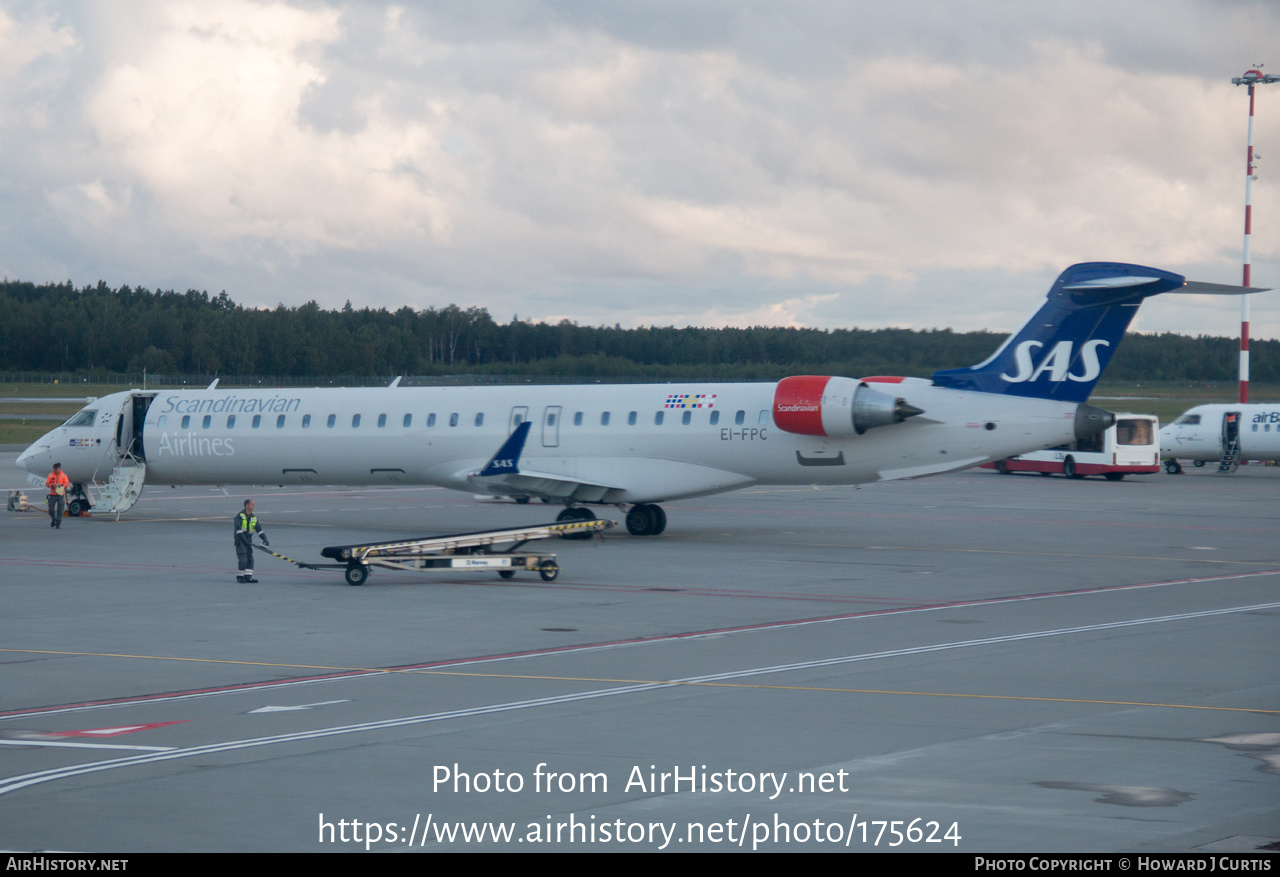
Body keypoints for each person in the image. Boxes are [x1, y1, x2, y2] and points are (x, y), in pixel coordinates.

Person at [234, 499, 268, 583]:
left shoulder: (253, 517)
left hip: (248, 541)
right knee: (243, 560)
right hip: (241, 541)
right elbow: (238, 531)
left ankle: (248, 577)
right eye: (252, 504)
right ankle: (240, 576)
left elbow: (259, 530)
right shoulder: (239, 516)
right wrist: (245, 540)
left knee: (250, 560)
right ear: (247, 505)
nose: (253, 506)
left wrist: (265, 539)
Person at [46, 463, 70, 529]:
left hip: (60, 495)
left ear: (59, 468)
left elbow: (66, 484)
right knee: (50, 509)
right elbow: (47, 484)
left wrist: (61, 485)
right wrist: (52, 485)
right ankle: (53, 518)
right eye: (55, 469)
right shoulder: (50, 475)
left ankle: (58, 524)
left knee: (60, 510)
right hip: (52, 495)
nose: (56, 470)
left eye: (57, 469)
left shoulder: (63, 475)